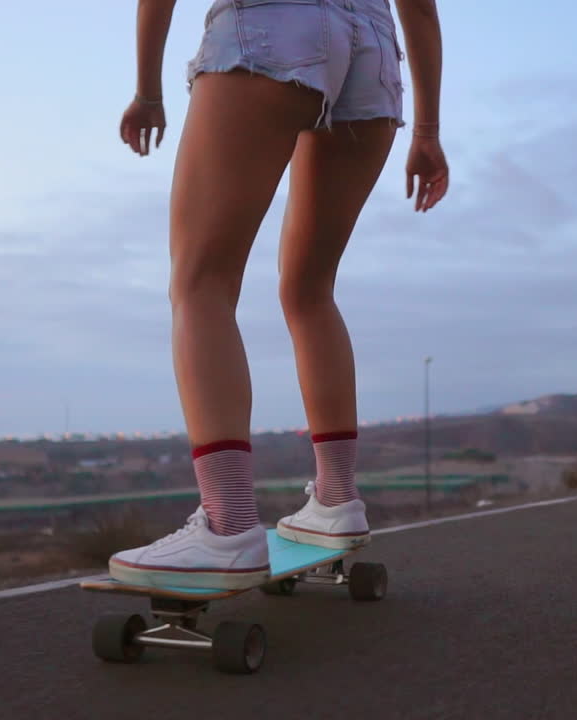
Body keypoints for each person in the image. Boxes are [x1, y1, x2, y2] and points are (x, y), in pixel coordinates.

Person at [107, 0, 448, 590]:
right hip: (370, 47)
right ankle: (337, 497)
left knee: (200, 282)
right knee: (311, 289)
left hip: (268, 26)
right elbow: (417, 6)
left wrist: (148, 91)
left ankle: (228, 526)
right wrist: (428, 132)